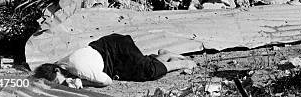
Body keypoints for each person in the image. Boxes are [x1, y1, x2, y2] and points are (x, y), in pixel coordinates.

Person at [34, 33, 195, 88]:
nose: (62, 84)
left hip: (116, 49)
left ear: (57, 70)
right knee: (135, 72)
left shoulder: (78, 70)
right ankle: (164, 55)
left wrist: (82, 83)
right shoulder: (61, 65)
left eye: (59, 81)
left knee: (149, 72)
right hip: (108, 55)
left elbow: (106, 82)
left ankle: (182, 63)